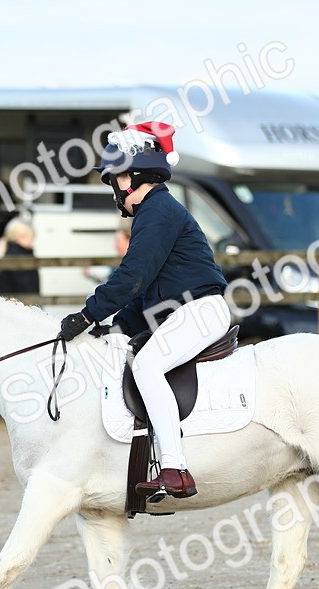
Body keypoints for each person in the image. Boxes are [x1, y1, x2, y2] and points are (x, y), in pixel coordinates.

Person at [58, 122, 229, 499]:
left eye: (113, 179)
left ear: (132, 176)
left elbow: (132, 275)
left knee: (147, 366)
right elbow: (142, 291)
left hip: (200, 311)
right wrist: (117, 328)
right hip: (185, 311)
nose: (113, 190)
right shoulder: (154, 212)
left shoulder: (158, 211)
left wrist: (88, 315)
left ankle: (174, 469)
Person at [0, 218, 38, 295]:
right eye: (31, 237)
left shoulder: (11, 252)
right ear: (20, 237)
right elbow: (26, 286)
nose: (32, 240)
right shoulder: (20, 255)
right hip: (19, 300)